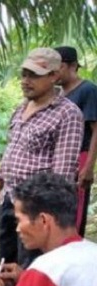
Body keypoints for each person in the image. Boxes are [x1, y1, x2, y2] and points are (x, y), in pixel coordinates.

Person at [0, 48, 83, 269]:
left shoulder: (67, 114)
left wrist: (47, 215)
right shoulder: (21, 109)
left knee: (31, 265)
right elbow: (11, 151)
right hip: (10, 197)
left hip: (36, 207)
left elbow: (62, 173)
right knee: (5, 259)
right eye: (24, 74)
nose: (26, 81)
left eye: (34, 75)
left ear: (54, 76)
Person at [56, 46, 97, 236]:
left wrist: (88, 167)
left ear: (72, 66)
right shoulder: (59, 95)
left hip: (80, 156)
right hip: (61, 159)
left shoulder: (87, 90)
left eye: (58, 67)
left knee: (76, 211)